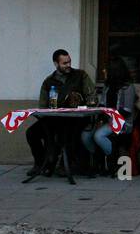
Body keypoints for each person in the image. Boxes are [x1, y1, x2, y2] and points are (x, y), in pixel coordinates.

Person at [25, 49, 97, 178]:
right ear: (56, 64)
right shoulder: (49, 81)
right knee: (31, 133)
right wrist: (46, 115)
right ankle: (40, 163)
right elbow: (42, 106)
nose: (68, 65)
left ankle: (66, 165)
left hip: (76, 119)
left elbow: (92, 96)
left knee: (69, 134)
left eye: (69, 62)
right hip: (54, 120)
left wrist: (85, 103)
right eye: (64, 63)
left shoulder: (81, 75)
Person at [82, 57, 140, 177]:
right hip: (106, 120)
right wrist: (99, 113)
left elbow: (126, 111)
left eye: (106, 69)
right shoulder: (107, 86)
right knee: (85, 135)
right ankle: (98, 160)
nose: (104, 71)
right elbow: (102, 104)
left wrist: (109, 115)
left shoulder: (128, 88)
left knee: (99, 135)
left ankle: (115, 160)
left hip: (122, 122)